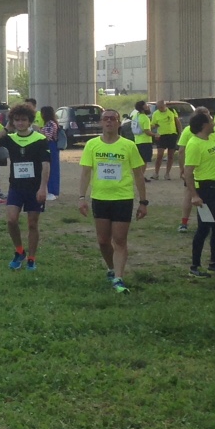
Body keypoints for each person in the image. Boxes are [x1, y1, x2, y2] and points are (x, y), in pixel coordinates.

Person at [76, 108, 148, 294]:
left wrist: (143, 202)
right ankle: (111, 268)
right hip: (100, 198)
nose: (109, 122)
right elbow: (85, 173)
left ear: (118, 123)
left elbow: (138, 174)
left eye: (113, 119)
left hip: (123, 198)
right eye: (105, 119)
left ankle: (118, 278)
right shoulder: (92, 145)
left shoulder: (128, 145)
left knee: (120, 240)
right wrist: (82, 197)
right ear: (101, 122)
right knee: (103, 241)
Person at [183, 109, 215, 277]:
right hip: (206, 191)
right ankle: (195, 267)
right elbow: (188, 172)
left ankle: (214, 264)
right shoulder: (194, 144)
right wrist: (194, 195)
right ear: (204, 125)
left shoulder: (214, 137)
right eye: (211, 120)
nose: (214, 122)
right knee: (204, 228)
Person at [0, 103, 49, 271]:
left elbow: (46, 165)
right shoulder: (10, 138)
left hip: (34, 188)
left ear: (30, 121)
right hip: (16, 187)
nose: (20, 123)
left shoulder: (40, 139)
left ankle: (31, 259)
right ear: (13, 121)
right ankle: (19, 251)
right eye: (17, 120)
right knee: (11, 220)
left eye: (23, 120)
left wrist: (43, 187)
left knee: (32, 224)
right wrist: (6, 129)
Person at [151, 100, 180, 181]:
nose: (160, 109)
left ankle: (167, 173)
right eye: (158, 107)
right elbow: (153, 124)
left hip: (172, 135)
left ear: (165, 106)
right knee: (159, 155)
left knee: (170, 156)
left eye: (161, 107)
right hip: (161, 136)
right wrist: (153, 129)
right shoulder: (155, 114)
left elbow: (177, 122)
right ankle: (156, 173)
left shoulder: (172, 111)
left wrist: (180, 133)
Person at [40, 105, 62, 201]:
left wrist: (39, 131)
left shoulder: (50, 124)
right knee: (52, 168)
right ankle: (51, 190)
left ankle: (53, 191)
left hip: (51, 146)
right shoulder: (52, 123)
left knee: (52, 169)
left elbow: (47, 137)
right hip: (51, 146)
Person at [130, 101, 155, 171]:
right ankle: (141, 175)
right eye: (146, 105)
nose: (148, 106)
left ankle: (138, 174)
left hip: (137, 141)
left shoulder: (135, 116)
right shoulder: (145, 118)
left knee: (139, 161)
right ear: (143, 107)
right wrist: (155, 135)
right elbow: (147, 131)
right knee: (144, 161)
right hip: (145, 142)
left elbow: (141, 127)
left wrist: (153, 126)